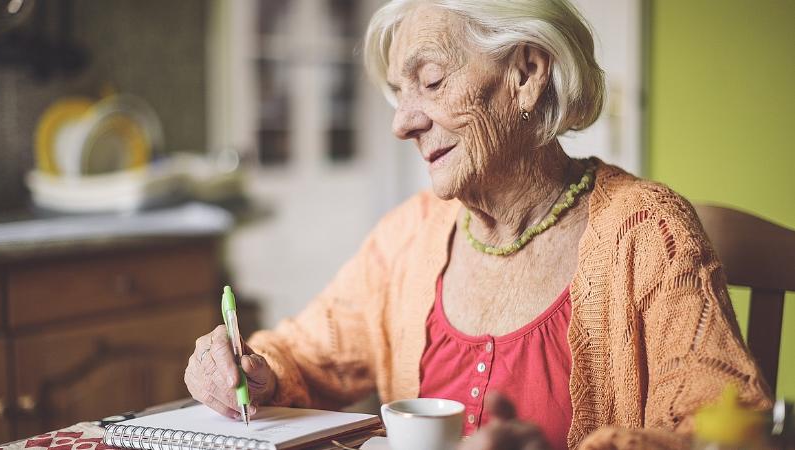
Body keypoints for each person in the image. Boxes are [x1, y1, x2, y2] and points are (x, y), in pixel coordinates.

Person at [184, 1, 771, 448]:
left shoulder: (648, 233)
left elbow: (725, 428)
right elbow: (302, 355)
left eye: (432, 81)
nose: (403, 123)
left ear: (527, 73)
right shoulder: (407, 238)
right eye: (397, 93)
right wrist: (252, 371)